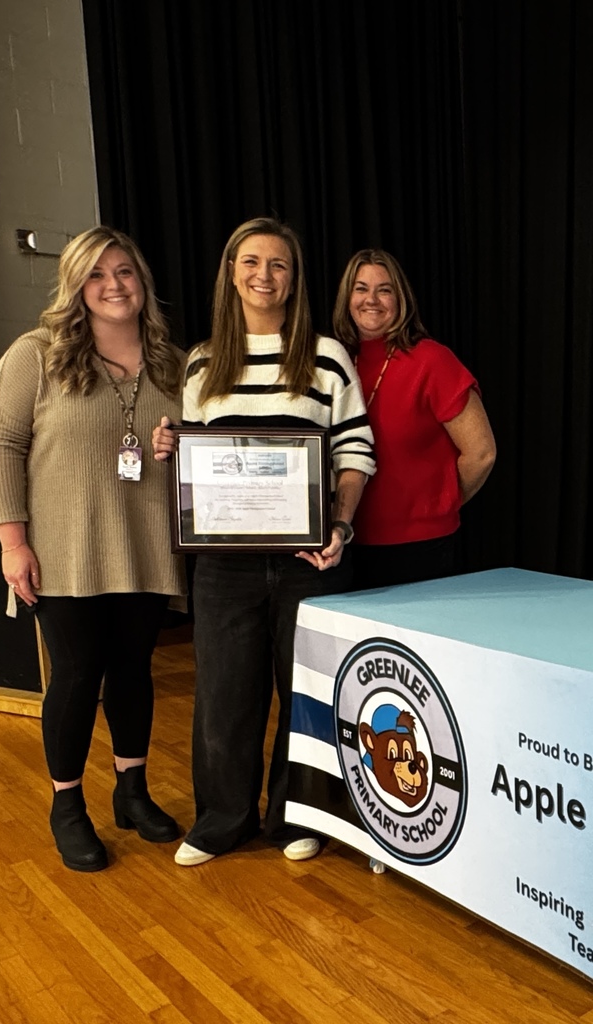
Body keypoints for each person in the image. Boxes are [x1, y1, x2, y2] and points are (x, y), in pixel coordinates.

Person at [153, 217, 376, 865]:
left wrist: (339, 525)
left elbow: (356, 451)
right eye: (251, 262)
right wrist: (171, 450)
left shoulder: (327, 356)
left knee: (305, 692)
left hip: (312, 560)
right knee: (225, 694)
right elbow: (199, 463)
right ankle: (222, 820)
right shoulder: (201, 363)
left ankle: (295, 816)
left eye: (278, 264)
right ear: (231, 272)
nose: (264, 275)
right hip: (225, 566)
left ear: (294, 278)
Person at [0, 226, 186, 872]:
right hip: (64, 550)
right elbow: (0, 445)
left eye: (124, 271)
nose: (113, 285)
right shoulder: (35, 355)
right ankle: (67, 805)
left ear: (142, 282)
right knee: (76, 673)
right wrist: (12, 542)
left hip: (145, 545)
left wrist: (179, 448)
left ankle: (131, 790)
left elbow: (203, 452)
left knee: (132, 668)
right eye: (96, 275)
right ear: (75, 285)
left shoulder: (173, 364)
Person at [332, 248, 496, 589]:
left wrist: (439, 503)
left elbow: (481, 453)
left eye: (384, 289)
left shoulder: (432, 361)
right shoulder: (336, 362)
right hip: (345, 543)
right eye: (360, 288)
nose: (371, 299)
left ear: (400, 298)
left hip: (420, 547)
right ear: (347, 298)